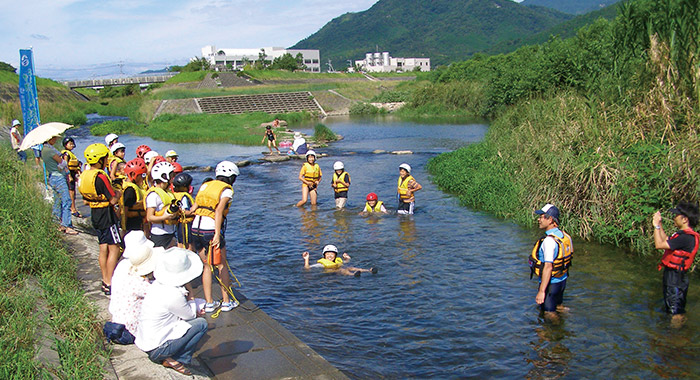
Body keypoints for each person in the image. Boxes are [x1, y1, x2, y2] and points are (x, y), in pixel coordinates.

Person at [136, 247, 206, 376]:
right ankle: (179, 358)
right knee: (201, 324)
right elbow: (190, 316)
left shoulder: (157, 285)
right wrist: (191, 296)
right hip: (157, 348)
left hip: (145, 341)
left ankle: (172, 357)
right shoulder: (173, 294)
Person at [191, 161, 239, 313]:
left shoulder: (205, 186)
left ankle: (209, 303)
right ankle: (226, 302)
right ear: (231, 177)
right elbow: (218, 211)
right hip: (210, 230)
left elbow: (194, 208)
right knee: (221, 264)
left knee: (206, 266)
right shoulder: (227, 191)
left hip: (195, 228)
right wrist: (217, 234)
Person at [79, 143, 122, 295]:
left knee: (103, 247)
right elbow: (113, 200)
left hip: (95, 214)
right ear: (100, 160)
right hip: (107, 215)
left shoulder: (84, 175)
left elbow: (84, 200)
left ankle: (104, 280)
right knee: (114, 247)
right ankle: (110, 282)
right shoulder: (101, 176)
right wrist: (119, 192)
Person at [653, 201, 700, 326]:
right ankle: (674, 336)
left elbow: (659, 245)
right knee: (671, 307)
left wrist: (656, 226)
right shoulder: (682, 235)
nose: (674, 218)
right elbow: (665, 241)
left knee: (676, 311)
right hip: (672, 276)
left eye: (676, 215)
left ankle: (677, 339)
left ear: (685, 219)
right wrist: (660, 224)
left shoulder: (686, 238)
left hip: (676, 278)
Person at [109, 231, 161, 337]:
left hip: (118, 316)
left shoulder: (122, 265)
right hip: (129, 328)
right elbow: (154, 294)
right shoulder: (135, 270)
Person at [529, 204, 573, 320]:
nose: (539, 219)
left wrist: (542, 291)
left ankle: (558, 333)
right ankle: (569, 322)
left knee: (548, 314)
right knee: (559, 307)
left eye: (542, 217)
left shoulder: (549, 241)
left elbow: (548, 267)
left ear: (550, 220)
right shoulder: (564, 236)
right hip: (562, 281)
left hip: (551, 285)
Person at [42, 134, 79, 235]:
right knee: (66, 200)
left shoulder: (44, 150)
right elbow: (62, 162)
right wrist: (64, 164)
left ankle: (56, 223)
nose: (55, 139)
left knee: (57, 200)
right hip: (58, 177)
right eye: (53, 138)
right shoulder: (49, 150)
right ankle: (66, 225)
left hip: (52, 176)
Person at [145, 161, 179, 248]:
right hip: (159, 234)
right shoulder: (154, 195)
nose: (173, 178)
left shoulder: (168, 192)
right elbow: (149, 217)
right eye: (171, 176)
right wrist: (165, 217)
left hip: (171, 232)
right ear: (164, 177)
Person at [302, 244, 377, 277]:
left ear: (335, 255)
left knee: (350, 267)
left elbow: (346, 262)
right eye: (327, 254)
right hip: (332, 273)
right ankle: (352, 275)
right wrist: (306, 259)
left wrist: (347, 258)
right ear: (324, 255)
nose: (330, 256)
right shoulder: (321, 264)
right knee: (342, 270)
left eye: (332, 254)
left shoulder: (338, 260)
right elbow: (308, 268)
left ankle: (368, 270)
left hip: (339, 268)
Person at [121, 158, 149, 234]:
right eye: (142, 175)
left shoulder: (135, 187)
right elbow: (125, 210)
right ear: (133, 174)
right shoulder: (130, 190)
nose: (143, 178)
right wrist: (123, 228)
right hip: (131, 226)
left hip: (138, 223)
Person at [172, 173, 197, 251]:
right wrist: (195, 213)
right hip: (186, 224)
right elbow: (185, 211)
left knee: (181, 242)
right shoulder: (184, 197)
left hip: (180, 223)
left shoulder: (175, 195)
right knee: (189, 245)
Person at [61, 137, 82, 217]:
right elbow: (65, 165)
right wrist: (69, 176)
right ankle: (73, 209)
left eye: (72, 143)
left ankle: (72, 208)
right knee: (71, 192)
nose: (72, 145)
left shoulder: (71, 154)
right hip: (68, 175)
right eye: (70, 144)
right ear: (65, 145)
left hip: (72, 174)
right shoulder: (66, 154)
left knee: (73, 192)